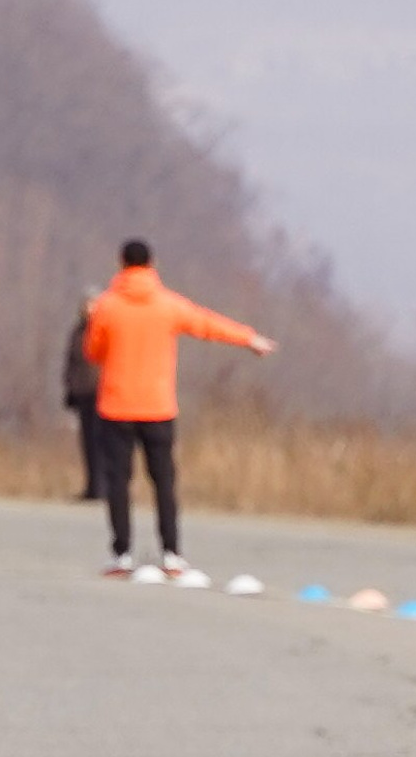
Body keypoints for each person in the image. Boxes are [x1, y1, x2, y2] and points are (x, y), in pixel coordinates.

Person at [82, 239, 273, 584]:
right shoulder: (168, 305)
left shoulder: (107, 308)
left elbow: (93, 352)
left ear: (120, 263)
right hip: (158, 406)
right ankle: (172, 554)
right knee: (164, 482)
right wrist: (249, 338)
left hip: (116, 406)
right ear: (153, 263)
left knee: (119, 483)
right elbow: (206, 324)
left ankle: (122, 555)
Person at [63, 292, 106, 502]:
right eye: (86, 304)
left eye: (93, 304)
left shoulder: (104, 330)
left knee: (101, 442)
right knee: (87, 442)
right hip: (82, 393)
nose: (89, 309)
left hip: (101, 393)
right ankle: (91, 486)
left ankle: (103, 487)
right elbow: (70, 363)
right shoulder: (77, 333)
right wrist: (69, 391)